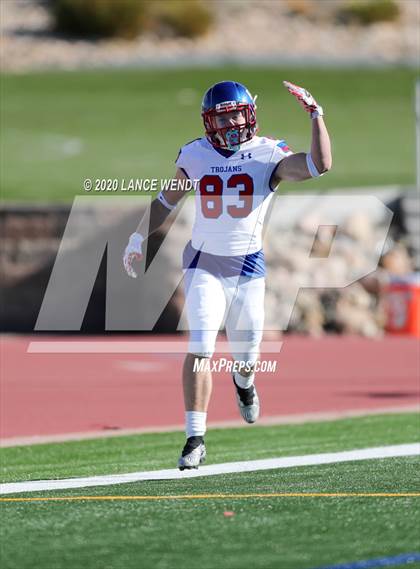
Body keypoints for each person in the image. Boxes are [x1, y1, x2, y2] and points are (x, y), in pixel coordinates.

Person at [123, 80, 332, 470]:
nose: (233, 122)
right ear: (209, 122)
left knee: (246, 357)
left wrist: (315, 116)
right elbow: (167, 200)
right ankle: (194, 437)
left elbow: (319, 166)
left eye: (237, 112)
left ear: (249, 113)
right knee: (201, 346)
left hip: (248, 268)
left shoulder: (268, 152)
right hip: (204, 263)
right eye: (223, 116)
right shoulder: (195, 154)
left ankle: (244, 382)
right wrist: (138, 236)